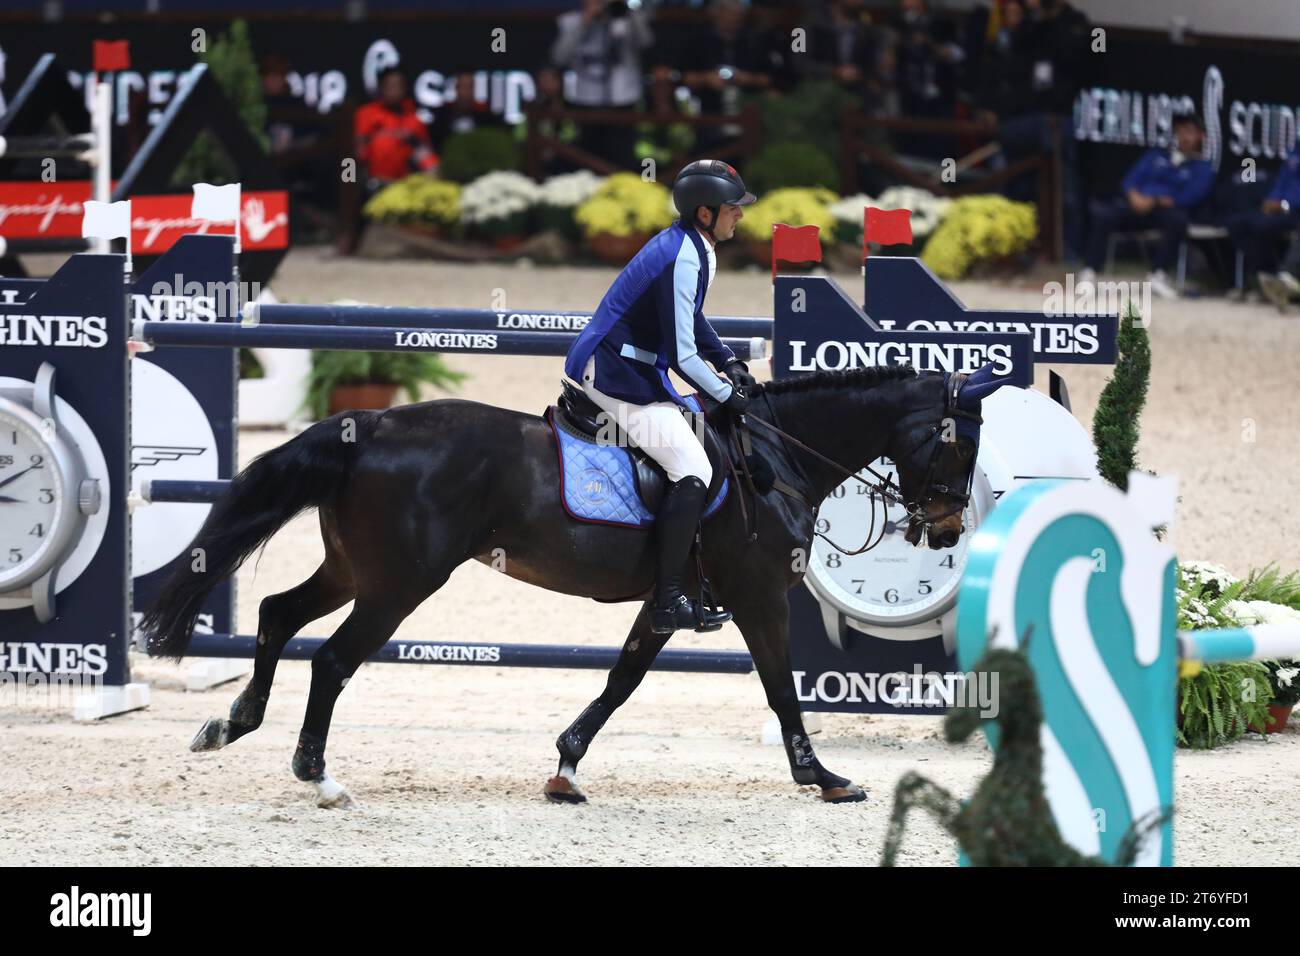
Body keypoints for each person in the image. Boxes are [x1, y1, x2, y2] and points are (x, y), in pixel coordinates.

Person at [563, 160, 756, 635]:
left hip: (635, 367)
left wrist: (727, 358)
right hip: (616, 373)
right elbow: (684, 356)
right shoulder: (685, 254)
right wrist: (726, 393)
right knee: (693, 467)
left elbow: (690, 319)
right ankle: (669, 598)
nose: (741, 216)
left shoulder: (694, 245)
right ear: (706, 213)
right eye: (734, 208)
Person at [1080, 114, 1215, 299]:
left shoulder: (1202, 167)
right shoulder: (1156, 156)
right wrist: (1135, 197)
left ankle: (1158, 275)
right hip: (1136, 207)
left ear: (1201, 136)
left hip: (1164, 212)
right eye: (1181, 130)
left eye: (1190, 132)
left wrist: (1156, 201)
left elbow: (1191, 197)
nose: (1184, 136)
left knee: (1178, 220)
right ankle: (1089, 273)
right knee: (1104, 214)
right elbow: (1130, 180)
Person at [550, 0, 654, 169]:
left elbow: (647, 42)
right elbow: (559, 57)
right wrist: (586, 21)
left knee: (622, 161)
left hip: (623, 100)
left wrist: (627, 12)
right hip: (584, 101)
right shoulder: (570, 21)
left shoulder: (626, 20)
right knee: (585, 160)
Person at [1229, 143, 1300, 300]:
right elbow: (1281, 183)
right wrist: (1272, 201)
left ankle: (1286, 279)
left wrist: (1283, 204)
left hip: (1293, 209)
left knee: (1263, 225)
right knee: (1240, 224)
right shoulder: (1294, 151)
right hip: (1283, 210)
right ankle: (1264, 278)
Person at [354, 68, 438, 191]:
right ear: (381, 88)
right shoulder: (366, 113)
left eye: (398, 85)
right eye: (390, 85)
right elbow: (353, 154)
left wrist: (434, 174)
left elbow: (425, 155)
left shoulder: (414, 119)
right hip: (370, 185)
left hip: (405, 187)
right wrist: (349, 181)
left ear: (405, 88)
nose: (394, 90)